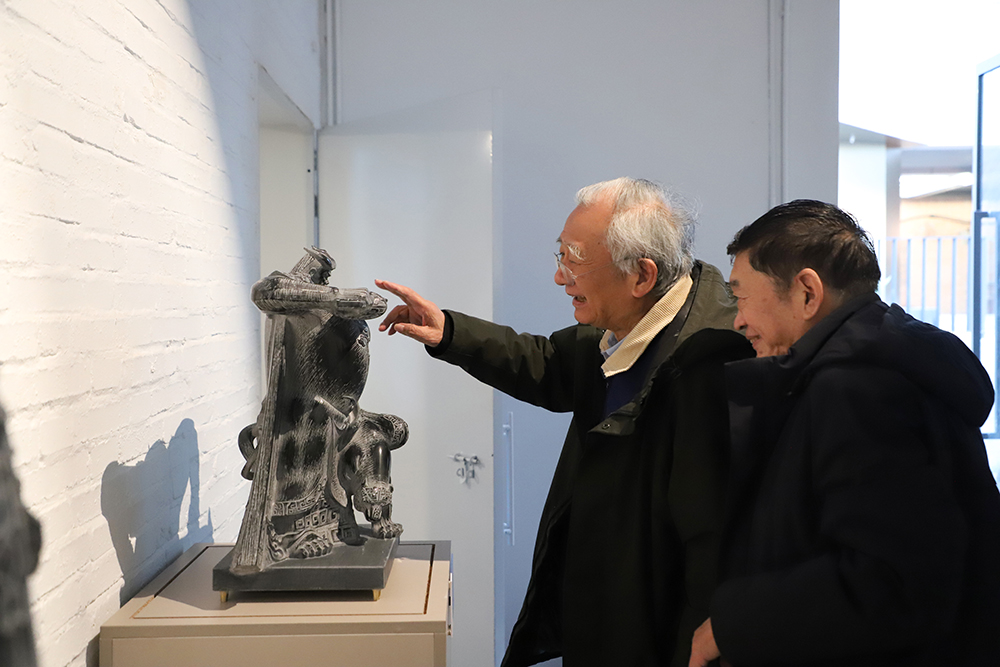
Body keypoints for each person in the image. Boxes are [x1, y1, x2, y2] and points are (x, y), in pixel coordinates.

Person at [376, 177, 752, 667]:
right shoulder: (625, 325)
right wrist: (450, 332)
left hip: (656, 624)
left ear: (641, 276)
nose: (560, 277)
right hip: (604, 594)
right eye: (561, 255)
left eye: (574, 260)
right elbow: (549, 364)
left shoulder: (709, 362)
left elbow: (713, 537)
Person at [690, 199, 1000, 667]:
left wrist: (729, 626)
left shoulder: (858, 389)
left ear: (807, 293)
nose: (738, 320)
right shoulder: (885, 361)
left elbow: (891, 582)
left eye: (742, 297)